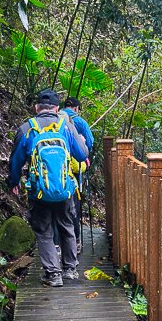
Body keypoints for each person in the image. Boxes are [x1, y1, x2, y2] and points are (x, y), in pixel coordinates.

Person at [7, 89, 88, 287]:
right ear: (57, 108)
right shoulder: (66, 126)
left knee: (43, 230)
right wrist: (83, 142)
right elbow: (81, 153)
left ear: (37, 108)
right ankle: (70, 269)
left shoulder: (27, 128)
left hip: (39, 190)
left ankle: (53, 274)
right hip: (64, 188)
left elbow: (16, 160)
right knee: (67, 225)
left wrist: (13, 182)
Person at [62, 97, 94, 253]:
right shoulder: (79, 122)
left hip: (53, 170)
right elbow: (90, 142)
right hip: (74, 169)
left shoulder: (54, 120)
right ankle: (76, 242)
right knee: (74, 205)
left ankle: (58, 244)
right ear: (75, 108)